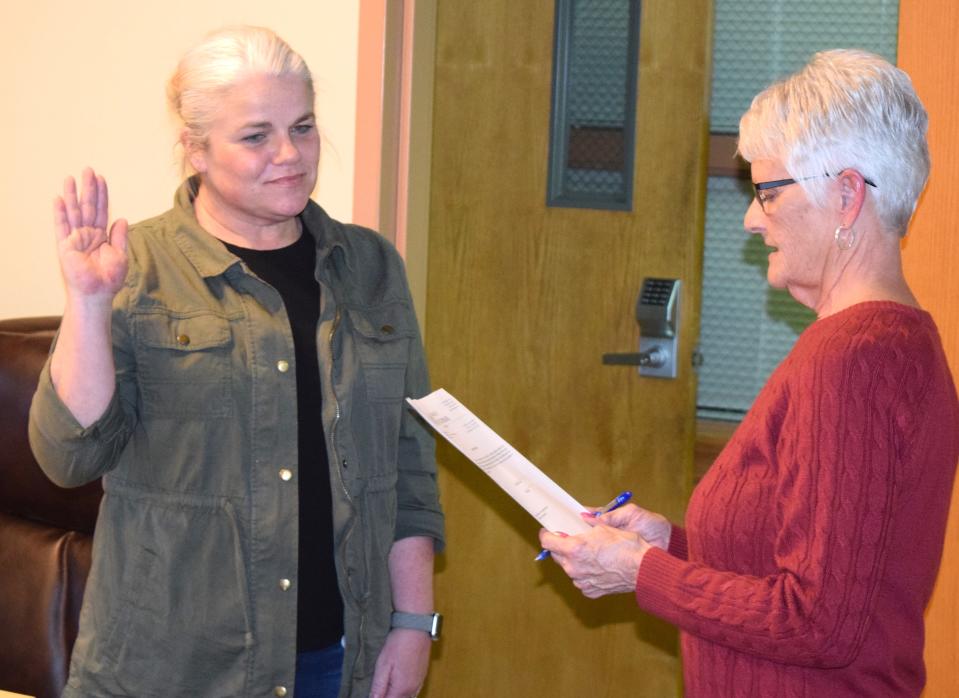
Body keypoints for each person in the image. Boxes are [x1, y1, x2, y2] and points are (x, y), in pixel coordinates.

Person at [28, 25, 443, 698]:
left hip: (335, 662)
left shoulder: (369, 266)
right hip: (168, 669)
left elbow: (407, 466)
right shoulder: (140, 267)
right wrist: (89, 303)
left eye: (303, 127)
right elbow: (68, 455)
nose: (290, 154)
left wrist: (412, 622)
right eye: (255, 136)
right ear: (195, 150)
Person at [539, 49, 959, 697]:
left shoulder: (852, 357)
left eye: (766, 192)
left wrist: (641, 572)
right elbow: (811, 575)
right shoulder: (897, 343)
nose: (750, 216)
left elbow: (817, 623)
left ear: (846, 195)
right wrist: (668, 547)